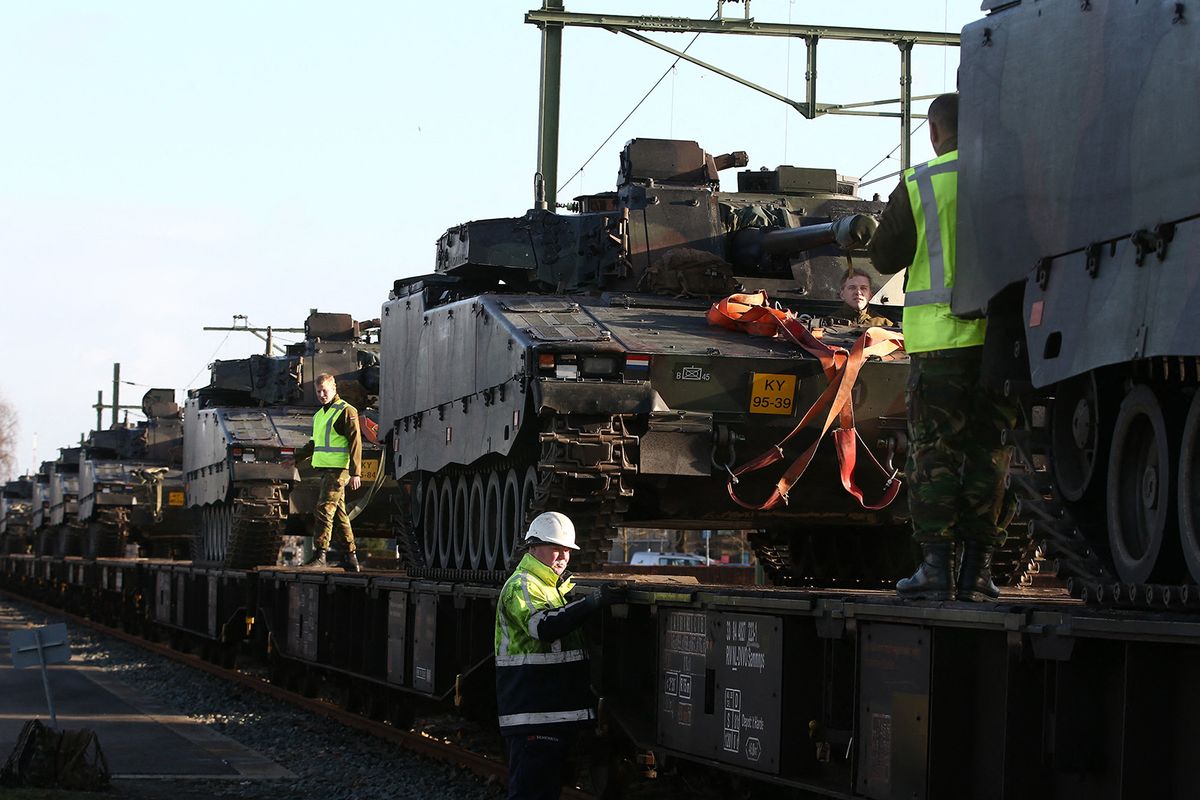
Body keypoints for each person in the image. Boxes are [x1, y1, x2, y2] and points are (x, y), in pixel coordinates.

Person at [866, 92, 1018, 602]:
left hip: (939, 346)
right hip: (999, 344)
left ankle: (935, 570)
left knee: (934, 454)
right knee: (989, 454)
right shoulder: (1008, 181)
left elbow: (883, 256)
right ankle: (977, 574)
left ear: (934, 132)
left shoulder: (921, 183)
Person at [494, 511, 622, 799]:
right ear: (533, 547)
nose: (563, 556)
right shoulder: (521, 586)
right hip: (533, 717)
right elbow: (544, 626)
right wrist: (592, 602)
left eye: (567, 550)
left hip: (548, 716)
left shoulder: (552, 589)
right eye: (556, 548)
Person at [298, 373, 362, 572]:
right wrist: (293, 458)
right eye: (318, 391)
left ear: (334, 388)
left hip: (339, 470)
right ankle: (351, 557)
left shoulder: (346, 410)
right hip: (327, 469)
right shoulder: (320, 415)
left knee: (324, 509)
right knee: (340, 513)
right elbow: (314, 444)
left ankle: (320, 554)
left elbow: (355, 442)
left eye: (325, 390)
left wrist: (356, 472)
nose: (322, 395)